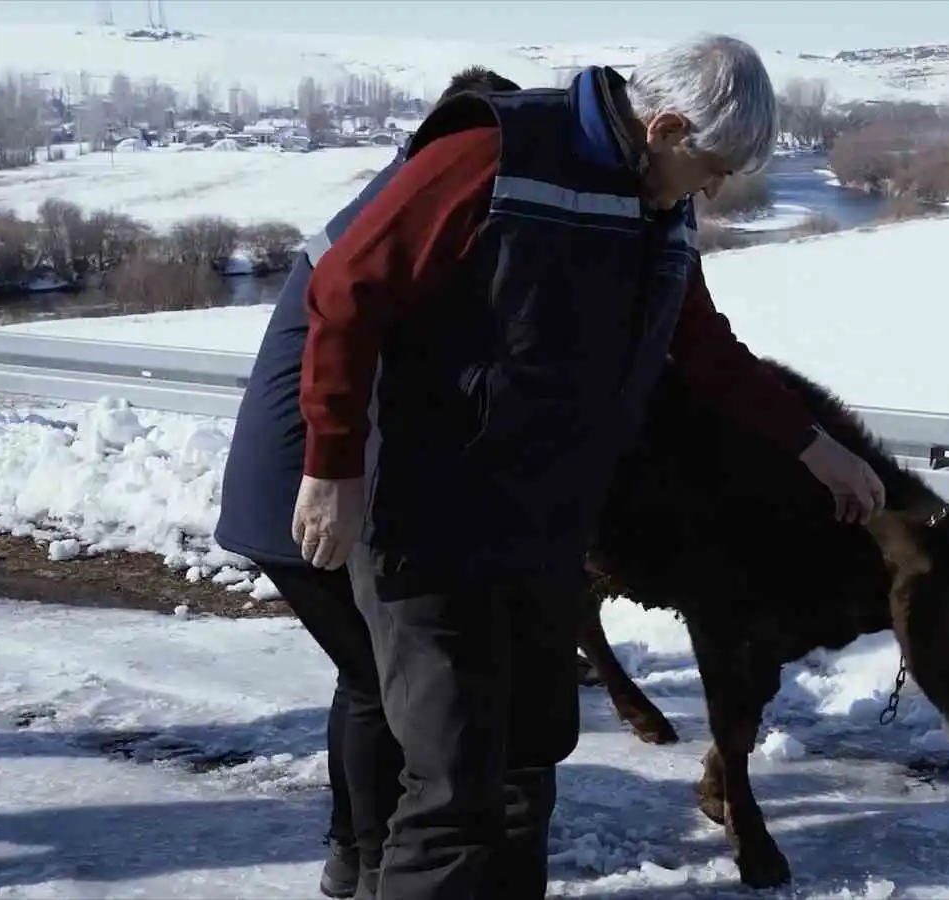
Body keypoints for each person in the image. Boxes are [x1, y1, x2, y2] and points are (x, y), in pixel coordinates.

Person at [288, 34, 888, 900]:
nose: (715, 189)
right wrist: (332, 464)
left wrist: (815, 446)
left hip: (545, 529)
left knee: (530, 762)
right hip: (431, 518)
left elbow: (707, 354)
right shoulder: (496, 154)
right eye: (711, 166)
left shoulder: (661, 211)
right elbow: (347, 289)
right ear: (669, 127)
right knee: (455, 787)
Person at [215, 66, 523, 900]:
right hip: (305, 479)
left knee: (367, 677)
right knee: (382, 685)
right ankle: (373, 864)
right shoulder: (417, 204)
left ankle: (356, 858)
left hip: (286, 472)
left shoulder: (395, 188)